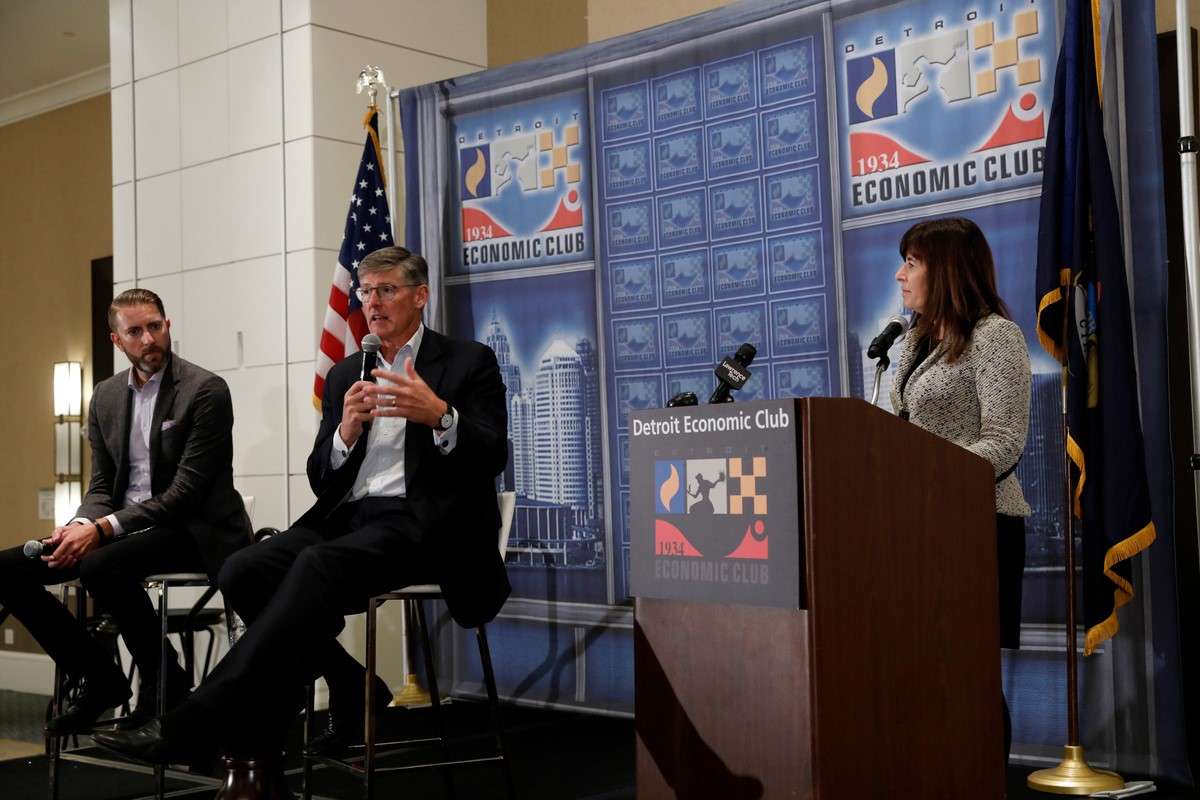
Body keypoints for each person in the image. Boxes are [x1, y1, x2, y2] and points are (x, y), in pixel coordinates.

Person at [95, 246, 511, 762]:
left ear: (420, 296)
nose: (373, 303)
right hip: (351, 518)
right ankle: (349, 680)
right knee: (244, 569)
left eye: (387, 290)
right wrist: (344, 434)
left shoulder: (468, 361)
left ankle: (195, 722)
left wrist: (441, 416)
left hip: (426, 523)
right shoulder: (347, 372)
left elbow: (494, 453)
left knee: (315, 565)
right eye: (366, 292)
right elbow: (321, 479)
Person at [0, 289, 251, 734]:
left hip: (195, 530)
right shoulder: (105, 396)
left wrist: (100, 529)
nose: (148, 338)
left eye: (155, 326)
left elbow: (185, 493)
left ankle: (163, 682)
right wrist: (80, 524)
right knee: (8, 569)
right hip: (122, 531)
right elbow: (102, 485)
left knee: (100, 565)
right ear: (116, 340)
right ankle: (99, 677)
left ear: (167, 326)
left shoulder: (205, 390)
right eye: (135, 331)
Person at [889, 217, 1030, 765]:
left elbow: (1004, 440)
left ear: (946, 269)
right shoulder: (914, 342)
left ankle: (983, 782)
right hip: (918, 528)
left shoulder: (996, 337)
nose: (901, 276)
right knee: (923, 673)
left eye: (912, 263)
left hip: (977, 526)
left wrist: (932, 484)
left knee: (969, 675)